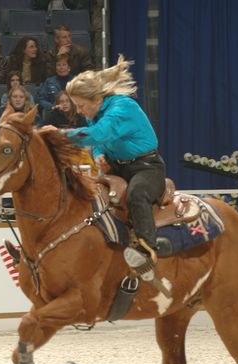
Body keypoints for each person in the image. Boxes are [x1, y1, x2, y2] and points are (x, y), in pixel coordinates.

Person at [46, 55, 165, 281]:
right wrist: (100, 155)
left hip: (146, 168)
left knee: (137, 194)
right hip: (116, 168)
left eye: (81, 105)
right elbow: (98, 141)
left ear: (97, 99)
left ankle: (147, 251)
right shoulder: (97, 113)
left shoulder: (123, 107)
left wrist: (59, 135)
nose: (79, 111)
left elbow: (100, 134)